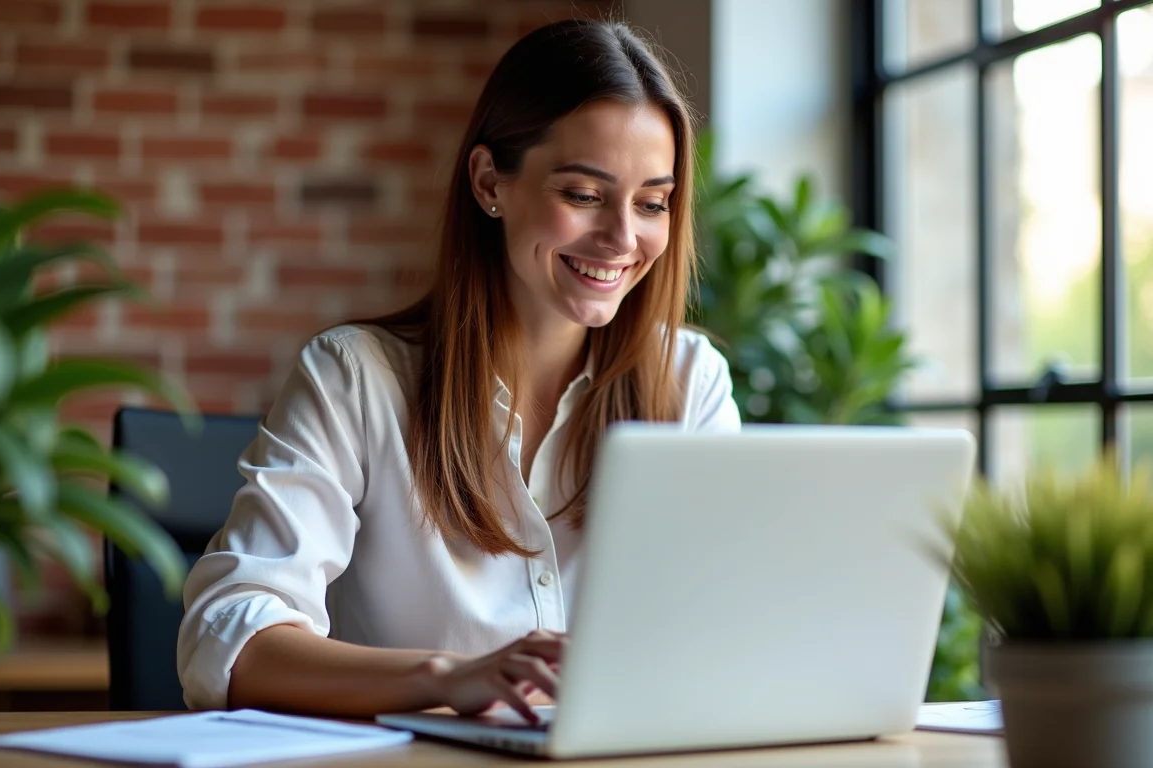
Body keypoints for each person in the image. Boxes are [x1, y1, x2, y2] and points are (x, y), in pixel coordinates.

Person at [176, 16, 741, 723]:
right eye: (584, 195)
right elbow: (227, 638)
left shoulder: (689, 381)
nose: (624, 238)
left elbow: (728, 625)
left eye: (653, 202)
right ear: (488, 183)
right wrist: (447, 678)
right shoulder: (355, 378)